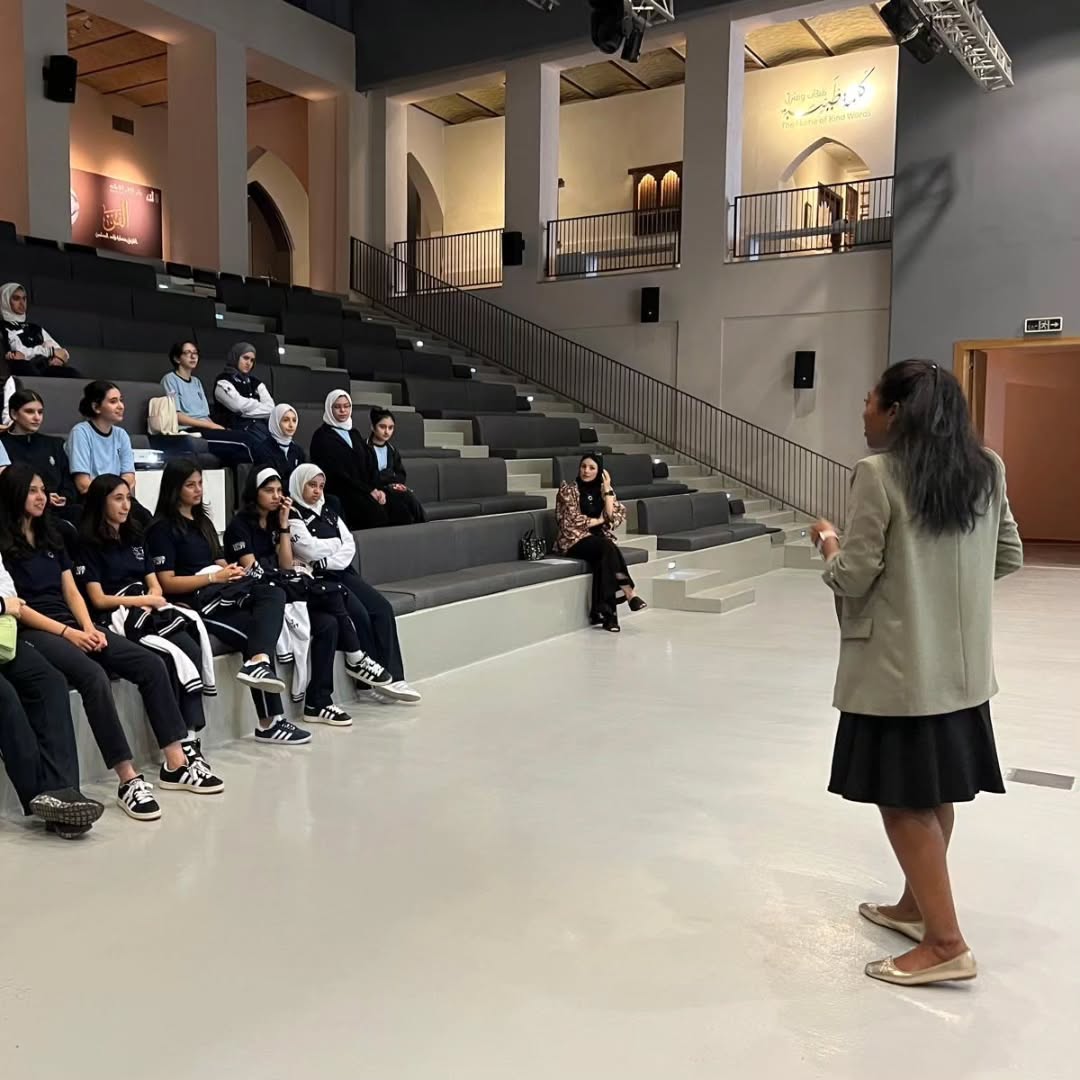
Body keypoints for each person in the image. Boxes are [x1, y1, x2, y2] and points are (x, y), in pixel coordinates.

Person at [810, 359, 1023, 988]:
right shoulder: (988, 468)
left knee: (902, 801)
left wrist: (828, 542)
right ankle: (914, 907)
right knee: (933, 791)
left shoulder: (878, 474)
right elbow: (1008, 555)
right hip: (961, 672)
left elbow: (854, 576)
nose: (863, 410)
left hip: (897, 672)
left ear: (896, 411)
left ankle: (945, 942)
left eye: (869, 399)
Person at [0, 464, 222, 822]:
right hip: (35, 630)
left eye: (43, 490)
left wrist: (88, 627)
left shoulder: (51, 534)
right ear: (14, 495)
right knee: (93, 676)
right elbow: (18, 607)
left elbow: (71, 591)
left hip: (74, 622)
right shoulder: (4, 544)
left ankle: (176, 762)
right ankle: (128, 778)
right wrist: (69, 634)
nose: (41, 497)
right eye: (33, 491)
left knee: (150, 664)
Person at [146, 458, 312, 745]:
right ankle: (270, 721)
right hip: (195, 600)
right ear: (175, 488)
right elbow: (167, 582)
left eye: (200, 483)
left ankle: (261, 674)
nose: (198, 490)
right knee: (255, 633)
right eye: (190, 485)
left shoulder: (203, 521)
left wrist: (231, 571)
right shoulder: (162, 529)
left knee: (271, 594)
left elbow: (218, 559)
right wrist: (214, 577)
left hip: (222, 591)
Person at [77, 473, 224, 789]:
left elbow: (154, 582)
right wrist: (142, 600)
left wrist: (153, 598)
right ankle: (177, 756)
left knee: (190, 648)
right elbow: (98, 599)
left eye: (128, 498)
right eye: (118, 498)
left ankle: (190, 739)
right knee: (164, 659)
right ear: (101, 502)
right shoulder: (87, 543)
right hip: (117, 615)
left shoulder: (135, 535)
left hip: (150, 609)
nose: (126, 505)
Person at [225, 467, 396, 725]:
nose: (276, 496)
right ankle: (355, 656)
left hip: (281, 585)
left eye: (279, 491)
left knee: (329, 624)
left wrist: (284, 525)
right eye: (269, 491)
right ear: (254, 492)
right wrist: (286, 573)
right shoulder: (239, 525)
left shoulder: (277, 520)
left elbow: (285, 563)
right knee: (333, 592)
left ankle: (318, 702)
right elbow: (253, 570)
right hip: (260, 593)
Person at [288, 463, 421, 703]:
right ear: (299, 485)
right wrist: (333, 546)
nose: (317, 491)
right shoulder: (293, 515)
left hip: (340, 570)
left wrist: (328, 558)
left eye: (321, 486)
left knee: (382, 608)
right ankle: (366, 683)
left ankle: (394, 676)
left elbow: (348, 543)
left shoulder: (328, 510)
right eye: (311, 485)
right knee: (359, 615)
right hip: (320, 578)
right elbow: (308, 549)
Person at [0, 550, 106, 839]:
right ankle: (42, 797)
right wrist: (2, 605)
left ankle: (65, 791)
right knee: (6, 698)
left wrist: (6, 604)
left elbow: (9, 589)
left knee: (50, 682)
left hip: (4, 637)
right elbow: (8, 601)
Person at [554, 453, 646, 633]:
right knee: (607, 547)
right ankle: (629, 593)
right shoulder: (568, 490)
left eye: (592, 468)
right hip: (573, 540)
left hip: (597, 540)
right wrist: (598, 520)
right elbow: (569, 521)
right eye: (583, 467)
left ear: (600, 472)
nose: (586, 471)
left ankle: (606, 615)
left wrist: (608, 489)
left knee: (605, 558)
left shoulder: (603, 491)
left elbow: (614, 517)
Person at [309, 390, 392, 531]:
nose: (343, 410)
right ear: (329, 408)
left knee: (398, 503)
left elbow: (370, 463)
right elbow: (335, 473)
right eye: (337, 407)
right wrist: (368, 491)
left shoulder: (354, 433)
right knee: (375, 514)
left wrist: (377, 489)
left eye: (346, 406)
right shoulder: (321, 436)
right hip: (342, 490)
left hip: (364, 489)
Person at [160, 341, 254, 465]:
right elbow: (177, 416)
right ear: (177, 358)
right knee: (244, 442)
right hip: (189, 430)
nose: (193, 356)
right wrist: (211, 426)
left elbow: (205, 415)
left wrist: (220, 428)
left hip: (206, 427)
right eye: (187, 353)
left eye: (195, 353)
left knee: (245, 441)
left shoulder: (196, 382)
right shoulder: (170, 379)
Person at [3, 389, 81, 528]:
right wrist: (43, 497)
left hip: (59, 510)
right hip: (20, 513)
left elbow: (68, 482)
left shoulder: (54, 444)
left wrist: (65, 497)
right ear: (14, 414)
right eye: (29, 412)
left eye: (40, 412)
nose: (37, 417)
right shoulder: (2, 445)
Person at [1, 282, 80, 379]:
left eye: (24, 298)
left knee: (72, 374)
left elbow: (62, 352)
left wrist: (58, 358)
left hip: (44, 367)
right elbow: (19, 353)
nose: (22, 303)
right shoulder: (3, 328)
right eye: (16, 298)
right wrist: (50, 352)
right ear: (5, 300)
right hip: (21, 369)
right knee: (27, 368)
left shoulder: (35, 328)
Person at [366, 408, 427, 525]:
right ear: (373, 427)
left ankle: (424, 525)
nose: (387, 432)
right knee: (403, 507)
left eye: (390, 428)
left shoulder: (392, 450)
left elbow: (400, 474)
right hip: (374, 491)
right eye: (382, 427)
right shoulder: (364, 448)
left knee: (409, 497)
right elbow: (367, 475)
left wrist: (394, 482)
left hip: (392, 488)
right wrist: (388, 477)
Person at [212, 341, 275, 452]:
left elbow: (271, 409)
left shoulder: (256, 382)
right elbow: (237, 406)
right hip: (233, 430)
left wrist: (243, 412)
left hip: (258, 429)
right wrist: (257, 404)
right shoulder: (223, 381)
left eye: (252, 360)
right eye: (245, 358)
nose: (248, 363)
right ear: (236, 357)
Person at [254, 403, 306, 486]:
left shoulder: (298, 450)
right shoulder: (263, 450)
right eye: (285, 420)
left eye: (294, 420)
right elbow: (269, 482)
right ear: (276, 422)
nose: (291, 425)